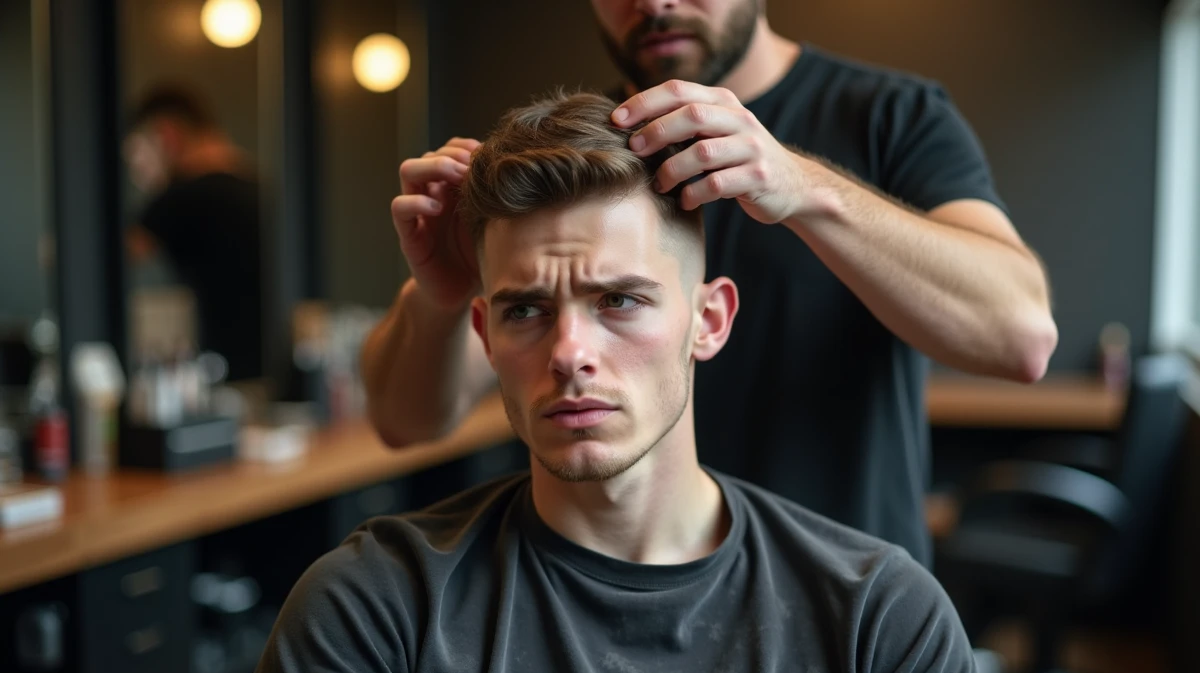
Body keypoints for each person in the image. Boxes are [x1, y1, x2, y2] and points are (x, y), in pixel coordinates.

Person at [210, 91, 1026, 673]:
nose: (570, 352)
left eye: (619, 301)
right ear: (485, 333)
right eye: (527, 310)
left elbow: (1023, 331)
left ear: (709, 320)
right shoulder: (377, 601)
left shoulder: (878, 614)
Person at [360, 0, 1058, 568]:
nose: (655, 4)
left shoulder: (890, 118)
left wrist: (805, 186)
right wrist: (442, 292)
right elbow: (403, 420)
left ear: (712, 315)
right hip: (602, 599)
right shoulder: (575, 157)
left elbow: (1021, 336)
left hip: (842, 612)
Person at [124, 84, 264, 381]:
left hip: (220, 372)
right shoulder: (258, 186)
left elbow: (104, 263)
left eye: (140, 151)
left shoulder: (181, 195)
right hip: (270, 370)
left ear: (167, 135)